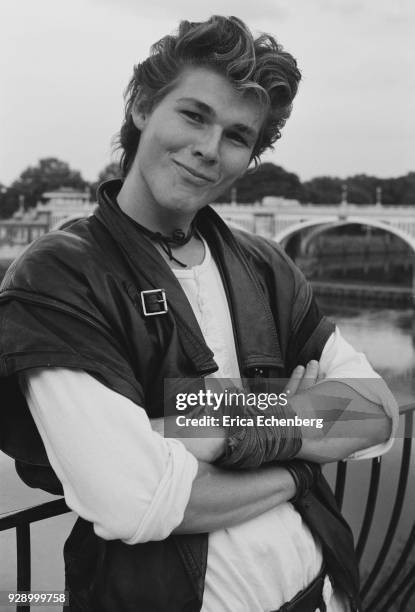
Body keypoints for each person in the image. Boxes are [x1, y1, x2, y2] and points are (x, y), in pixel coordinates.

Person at [0, 15, 398, 612]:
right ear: (141, 109)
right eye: (193, 115)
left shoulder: (265, 266)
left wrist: (189, 428)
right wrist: (300, 456)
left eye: (237, 136)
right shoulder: (60, 276)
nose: (209, 149)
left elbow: (377, 415)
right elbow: (133, 498)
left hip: (325, 593)